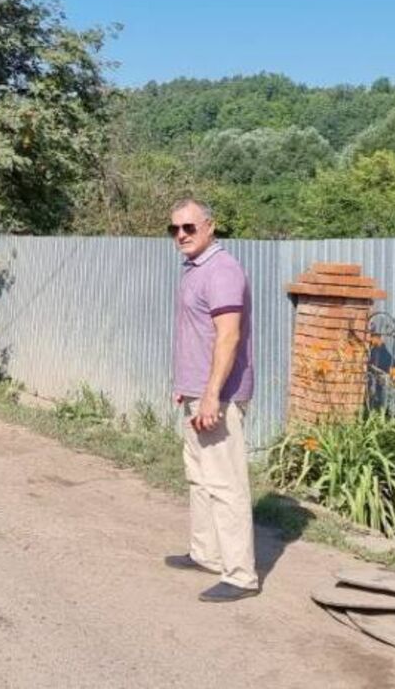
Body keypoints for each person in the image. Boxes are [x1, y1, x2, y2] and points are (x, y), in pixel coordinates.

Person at [164, 198, 259, 602]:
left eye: (189, 227)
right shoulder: (195, 269)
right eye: (175, 229)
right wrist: (186, 385)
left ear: (210, 227)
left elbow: (228, 336)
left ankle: (240, 576)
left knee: (225, 484)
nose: (182, 235)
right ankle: (206, 553)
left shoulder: (221, 271)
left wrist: (212, 396)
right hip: (196, 392)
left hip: (217, 397)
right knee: (200, 478)